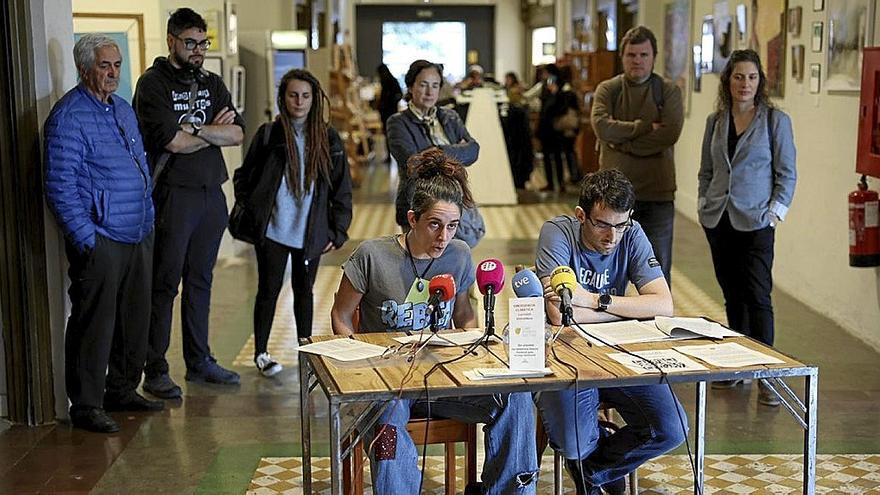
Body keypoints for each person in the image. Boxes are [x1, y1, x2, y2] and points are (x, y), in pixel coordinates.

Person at [330, 148, 538, 495]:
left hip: (443, 380)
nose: (444, 236)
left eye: (453, 226)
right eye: (435, 225)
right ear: (412, 219)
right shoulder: (372, 255)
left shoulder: (458, 255)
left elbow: (465, 316)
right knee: (388, 427)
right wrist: (359, 365)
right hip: (388, 386)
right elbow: (340, 316)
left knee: (515, 397)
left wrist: (478, 342)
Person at [535, 169, 686, 495]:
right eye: (602, 224)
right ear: (581, 216)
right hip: (565, 356)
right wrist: (625, 311)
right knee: (574, 444)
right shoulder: (557, 233)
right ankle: (595, 456)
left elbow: (663, 305)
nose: (612, 236)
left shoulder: (632, 234)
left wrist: (595, 301)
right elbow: (561, 315)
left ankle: (592, 472)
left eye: (621, 224)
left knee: (672, 428)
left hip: (615, 354)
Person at [44, 34, 163, 433]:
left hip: (136, 232)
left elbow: (140, 168)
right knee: (95, 321)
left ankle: (123, 388)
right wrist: (86, 239)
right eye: (104, 66)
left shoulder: (123, 109)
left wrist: (147, 217)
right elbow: (60, 185)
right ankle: (87, 404)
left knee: (134, 317)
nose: (113, 73)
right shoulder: (69, 116)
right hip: (101, 237)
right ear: (84, 69)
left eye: (116, 65)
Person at [134, 8, 246, 398]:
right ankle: (155, 368)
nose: (198, 50)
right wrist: (207, 132)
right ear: (171, 40)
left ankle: (199, 362)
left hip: (210, 194)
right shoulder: (152, 85)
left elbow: (235, 135)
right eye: (190, 42)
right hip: (172, 195)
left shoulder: (211, 81)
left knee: (201, 280)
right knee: (164, 283)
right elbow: (171, 142)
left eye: (203, 42)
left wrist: (196, 129)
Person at [232, 69, 352, 377]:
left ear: (314, 99)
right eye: (293, 95)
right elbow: (244, 176)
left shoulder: (327, 137)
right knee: (268, 290)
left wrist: (338, 231)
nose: (299, 101)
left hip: (310, 231)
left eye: (305, 96)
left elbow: (341, 187)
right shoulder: (269, 134)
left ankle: (305, 349)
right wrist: (255, 209)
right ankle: (261, 352)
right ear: (283, 98)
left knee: (305, 291)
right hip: (273, 230)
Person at [698, 49, 796, 406]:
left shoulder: (774, 121)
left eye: (752, 77)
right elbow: (707, 170)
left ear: (760, 82)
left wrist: (775, 213)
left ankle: (767, 376)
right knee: (732, 296)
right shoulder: (716, 120)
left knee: (758, 296)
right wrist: (703, 202)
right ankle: (737, 367)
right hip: (718, 219)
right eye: (738, 77)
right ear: (728, 81)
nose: (745, 84)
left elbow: (787, 173)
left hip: (756, 222)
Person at [591, 25, 683, 285]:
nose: (638, 61)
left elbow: (669, 134)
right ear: (622, 56)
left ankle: (657, 322)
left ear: (654, 56)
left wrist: (621, 144)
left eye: (644, 55)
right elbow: (601, 127)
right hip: (613, 199)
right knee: (606, 269)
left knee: (657, 270)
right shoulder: (608, 90)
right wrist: (643, 127)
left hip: (657, 195)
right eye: (632, 55)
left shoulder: (668, 91)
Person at [386, 59, 482, 247]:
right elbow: (412, 164)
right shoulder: (397, 122)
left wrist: (436, 151)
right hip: (419, 207)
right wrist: (456, 152)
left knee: (454, 267)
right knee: (421, 269)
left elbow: (473, 150)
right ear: (411, 86)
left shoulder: (450, 117)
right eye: (423, 85)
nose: (430, 92)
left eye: (435, 85)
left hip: (453, 204)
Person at [537, 64, 582, 192]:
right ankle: (550, 182)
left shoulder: (563, 90)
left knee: (557, 156)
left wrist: (555, 94)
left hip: (556, 129)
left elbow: (560, 108)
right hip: (546, 128)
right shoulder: (545, 87)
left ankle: (561, 183)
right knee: (547, 156)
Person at [374, 63, 402, 161]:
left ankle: (391, 155)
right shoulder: (389, 81)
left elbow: (398, 95)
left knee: (389, 134)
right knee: (389, 134)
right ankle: (390, 155)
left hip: (389, 112)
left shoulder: (389, 82)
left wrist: (388, 102)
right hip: (389, 112)